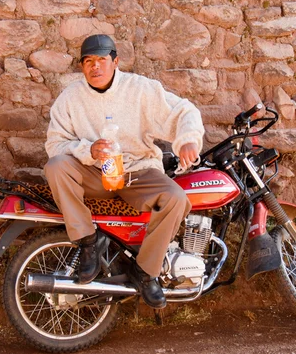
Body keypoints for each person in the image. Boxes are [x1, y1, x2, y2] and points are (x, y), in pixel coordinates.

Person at [44, 34, 204, 309]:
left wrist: (188, 139)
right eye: (88, 61)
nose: (95, 67)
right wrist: (88, 150)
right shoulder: (70, 98)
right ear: (82, 66)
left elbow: (184, 111)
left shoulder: (141, 89)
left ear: (116, 61)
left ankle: (144, 272)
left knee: (176, 199)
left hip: (137, 172)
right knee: (56, 166)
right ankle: (87, 243)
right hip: (94, 173)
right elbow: (54, 145)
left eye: (102, 60)